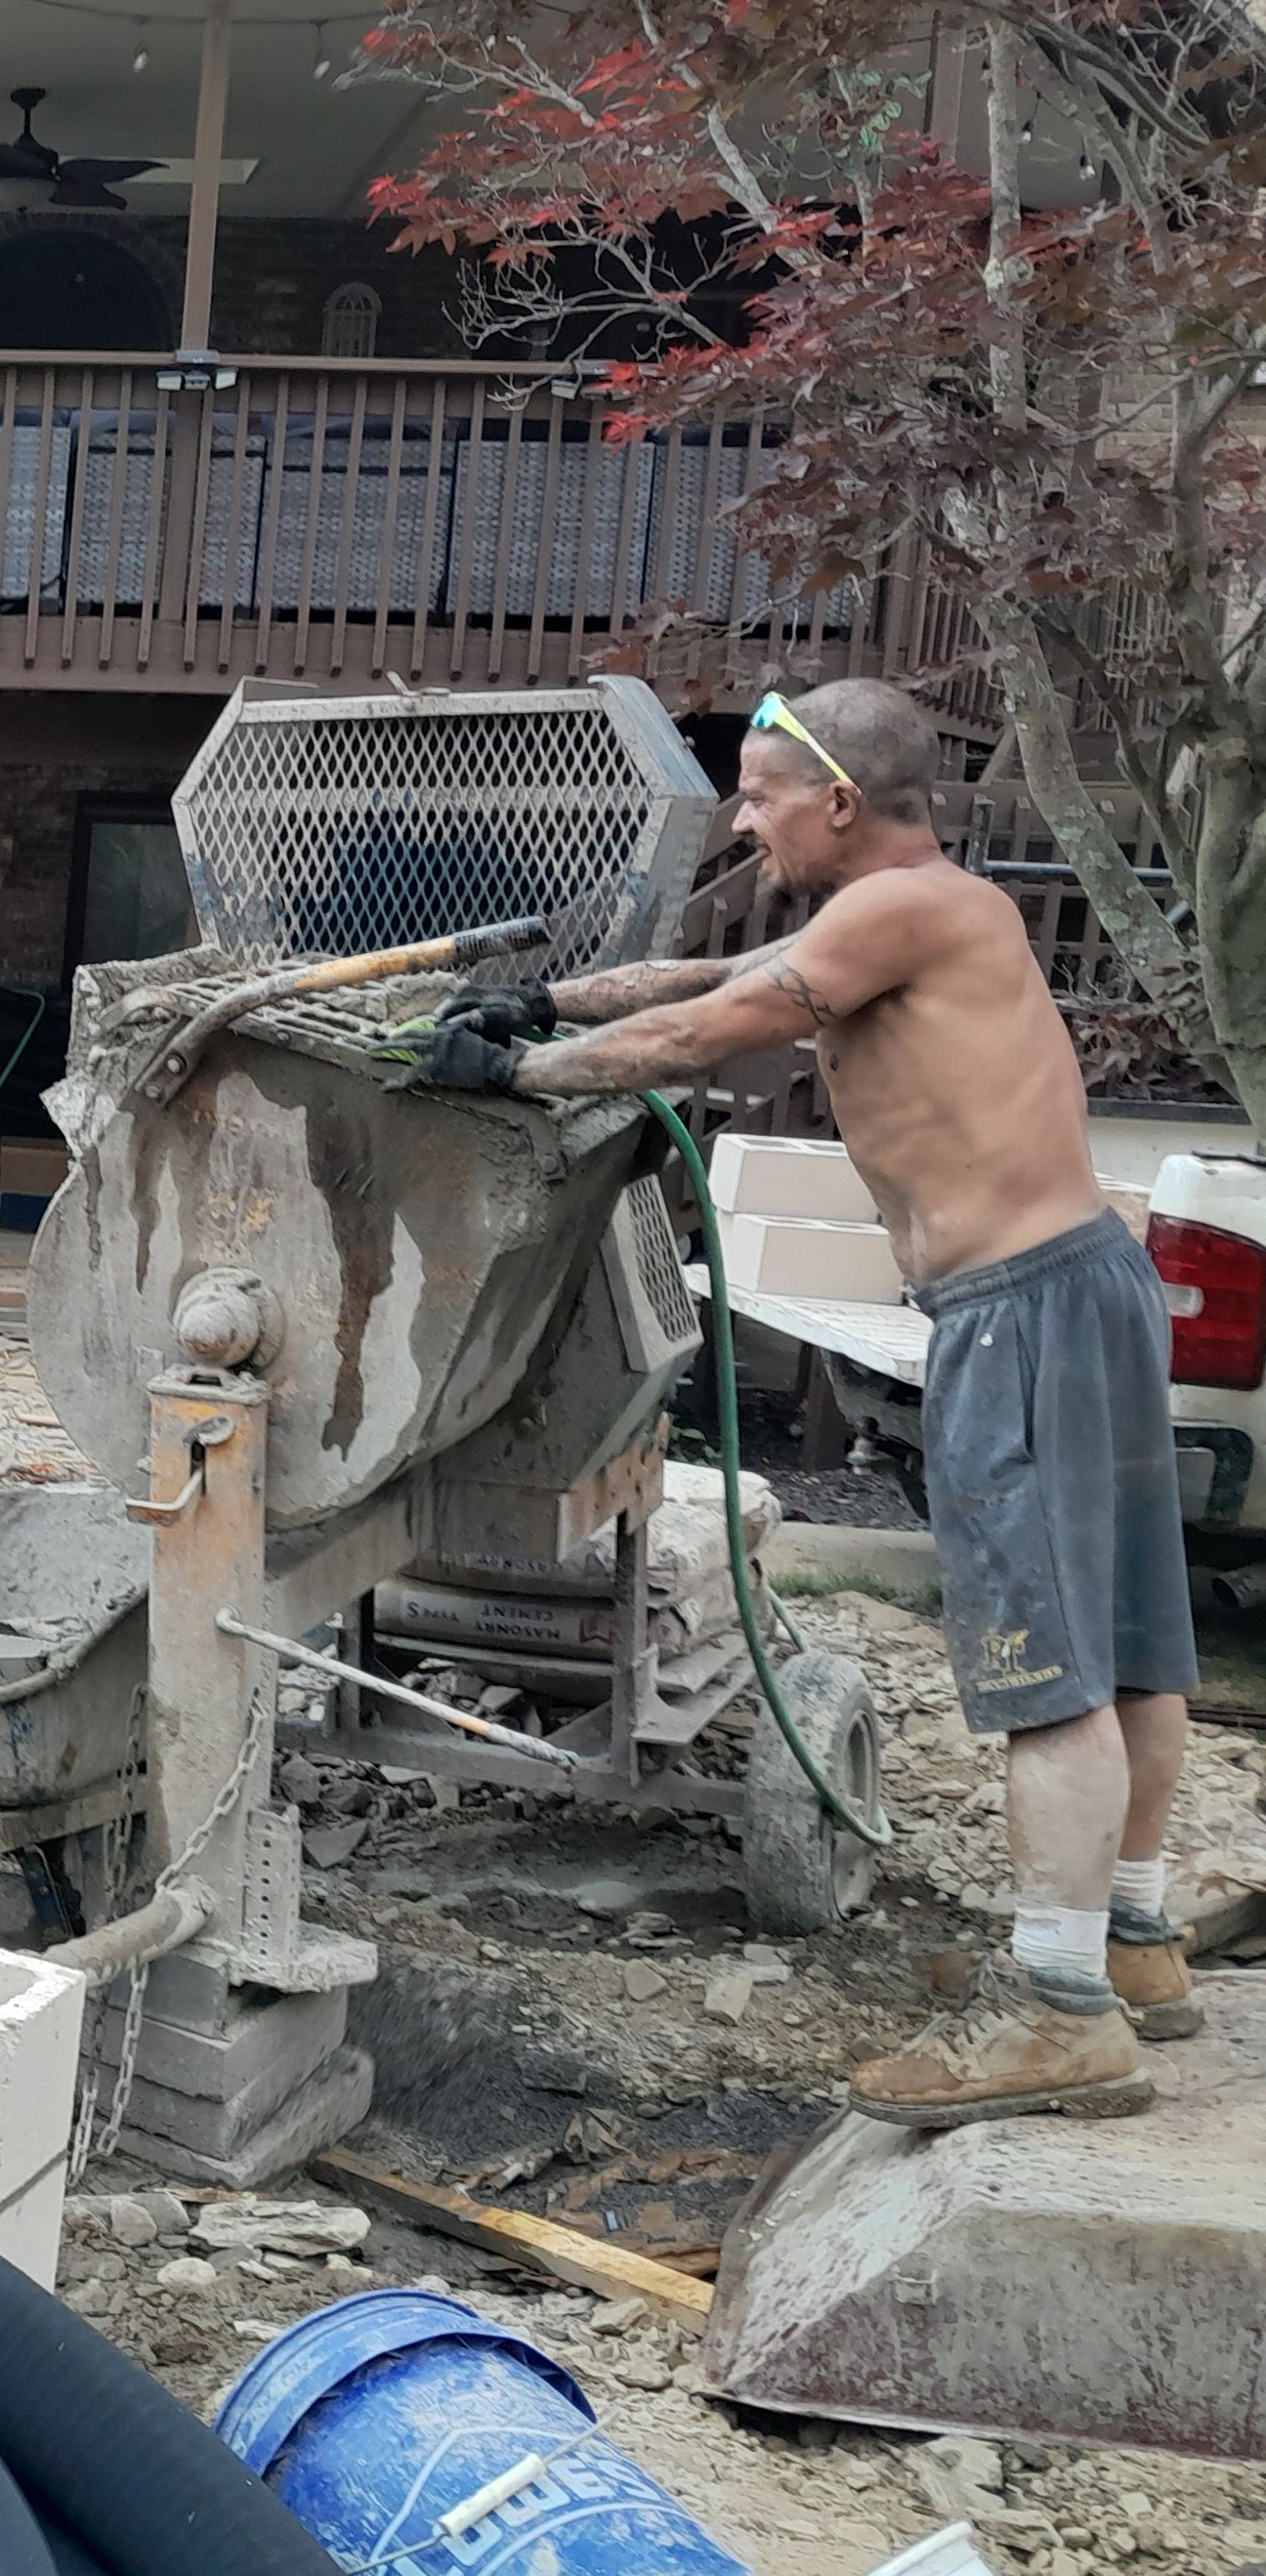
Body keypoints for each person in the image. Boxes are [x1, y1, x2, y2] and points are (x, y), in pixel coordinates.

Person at [405, 676, 1196, 2126]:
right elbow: (712, 986)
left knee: (1050, 1664)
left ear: (841, 799)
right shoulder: (913, 913)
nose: (744, 816)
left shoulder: (908, 907)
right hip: (1081, 1288)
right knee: (1132, 1640)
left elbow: (722, 1030)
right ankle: (1130, 1944)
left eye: (762, 792)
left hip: (1016, 1313)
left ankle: (1062, 2014)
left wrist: (520, 1068)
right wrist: (544, 996)